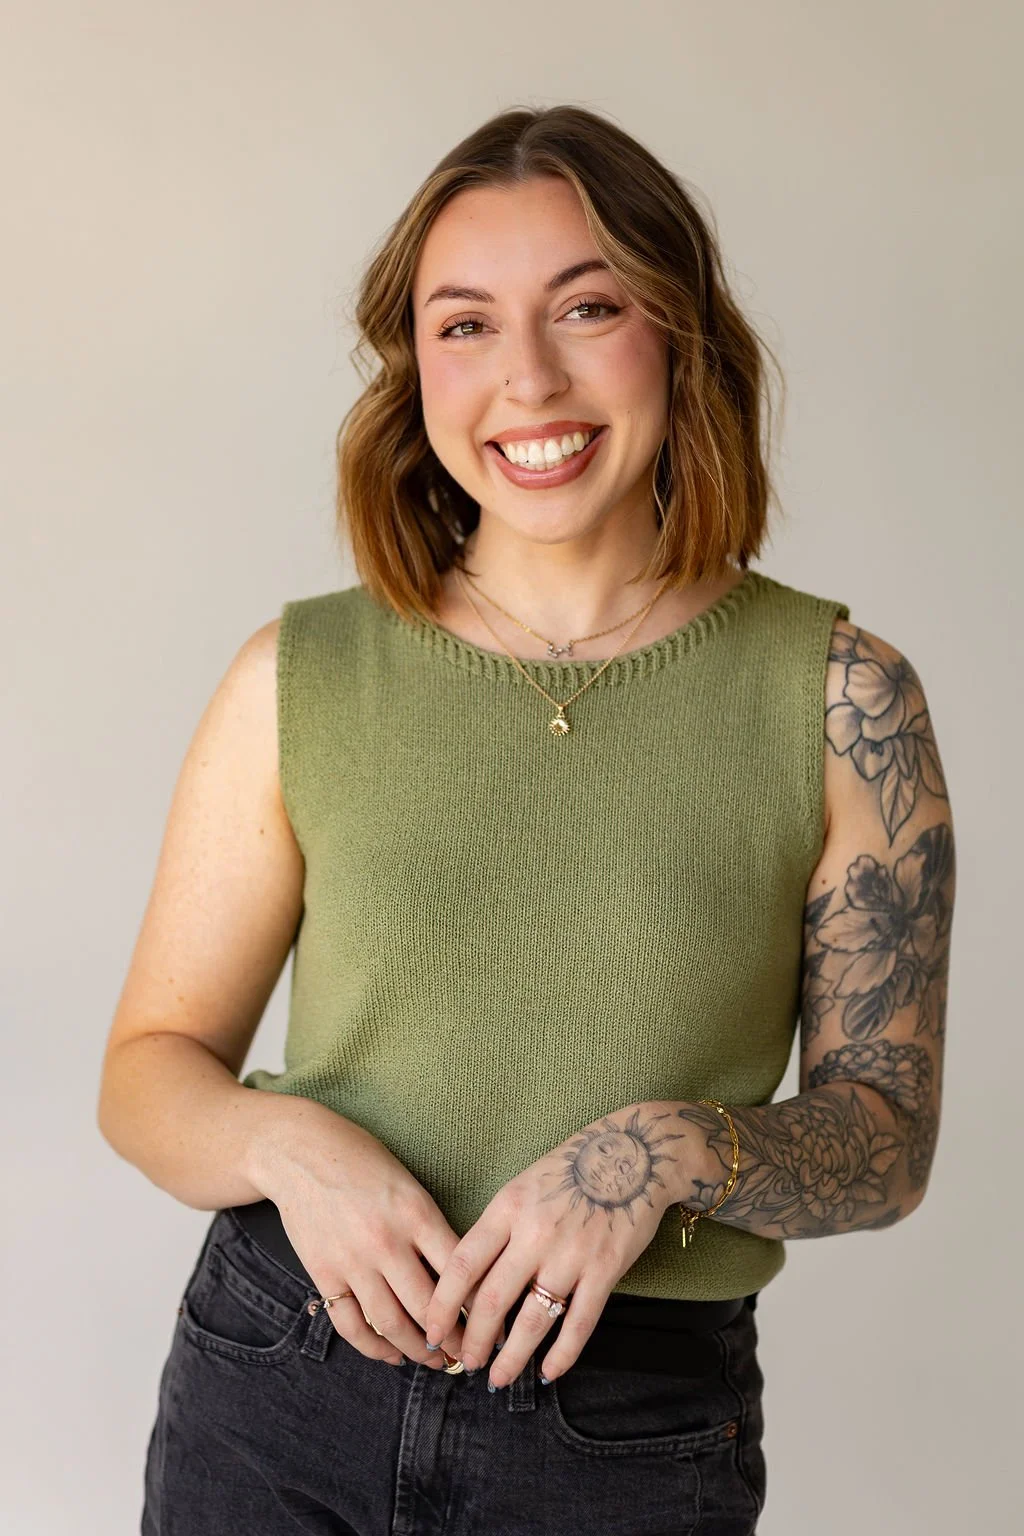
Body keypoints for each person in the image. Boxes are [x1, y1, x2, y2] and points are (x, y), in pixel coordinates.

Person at [98, 104, 954, 1536]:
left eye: (589, 307)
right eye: (466, 325)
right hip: (278, 1382)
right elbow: (147, 1072)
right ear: (414, 366)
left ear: (679, 336)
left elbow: (887, 1140)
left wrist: (664, 1152)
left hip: (621, 1430)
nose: (528, 380)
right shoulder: (297, 676)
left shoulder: (842, 702)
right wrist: (284, 1145)